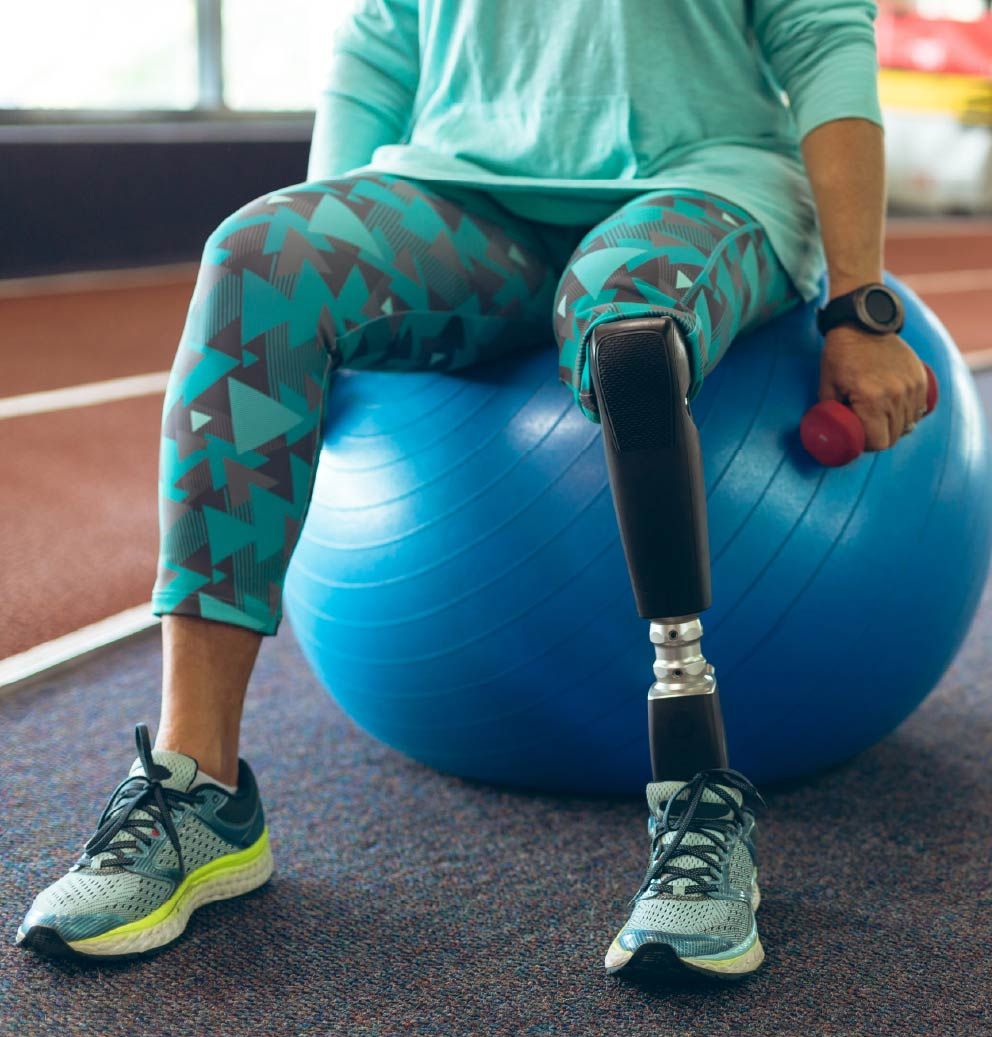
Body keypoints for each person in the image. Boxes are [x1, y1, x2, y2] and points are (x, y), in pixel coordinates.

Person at [17, 0, 927, 976]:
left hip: (700, 182)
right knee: (261, 261)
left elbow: (825, 37)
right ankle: (197, 791)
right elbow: (377, 48)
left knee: (629, 323)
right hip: (463, 196)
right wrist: (329, 311)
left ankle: (698, 797)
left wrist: (857, 303)